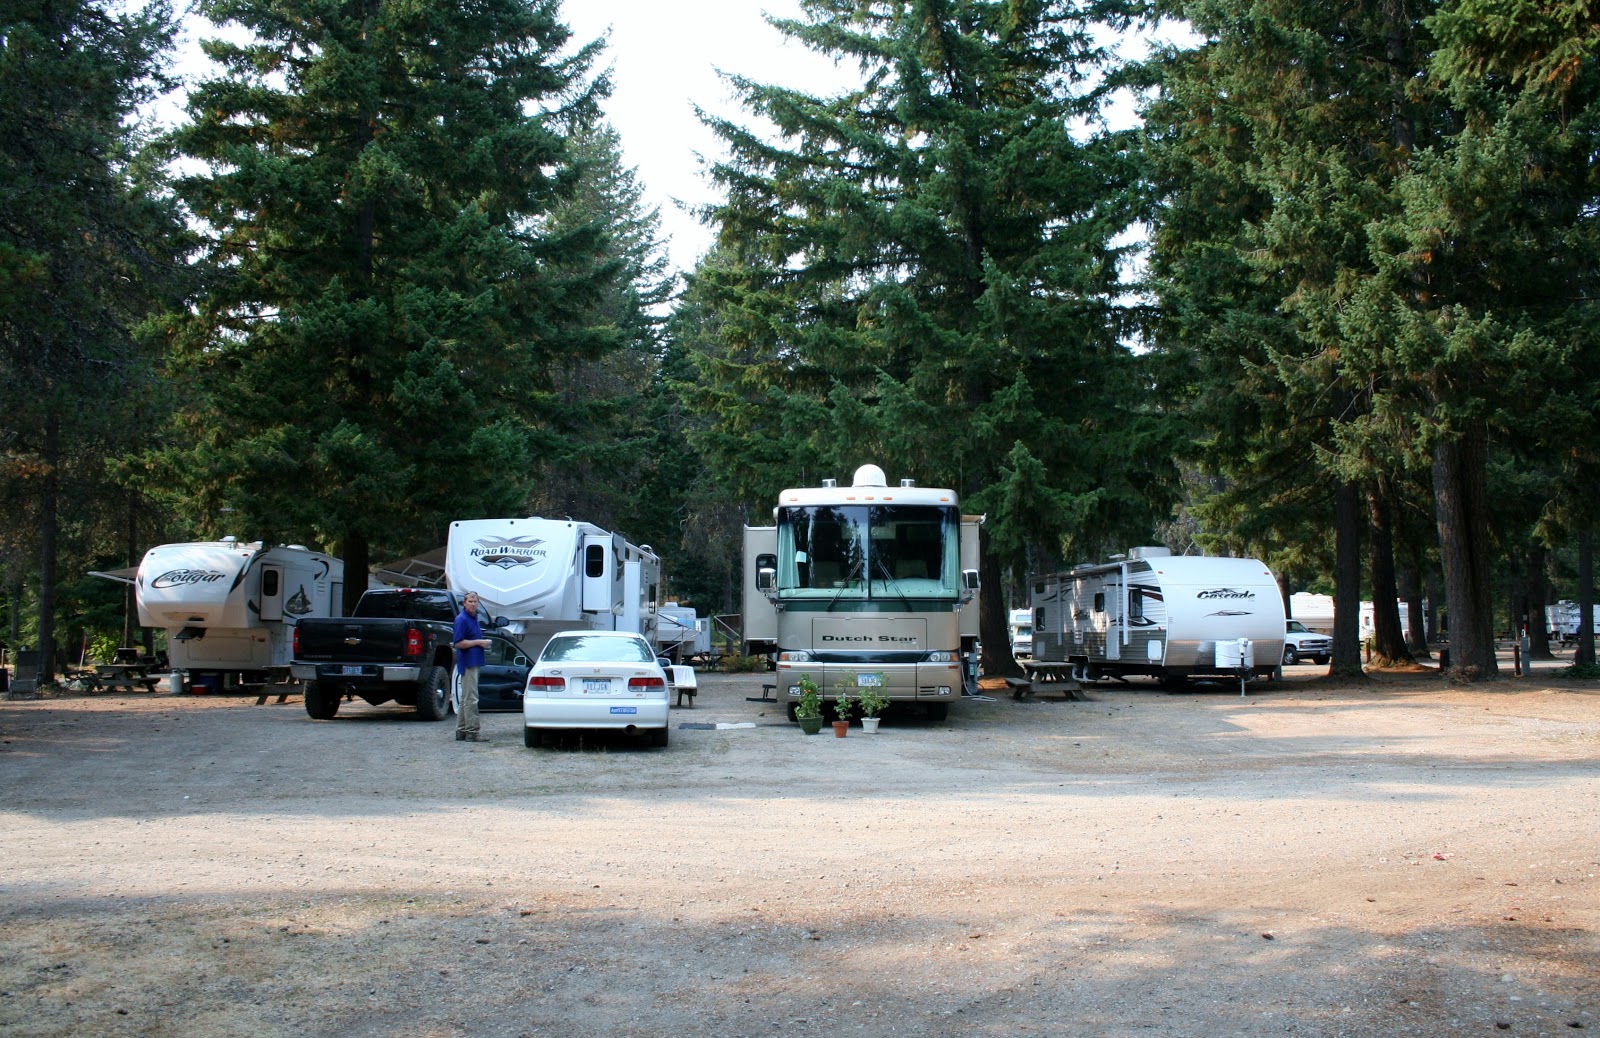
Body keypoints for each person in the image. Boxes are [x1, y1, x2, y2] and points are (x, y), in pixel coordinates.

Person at [453, 592, 491, 742]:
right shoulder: (461, 620)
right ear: (464, 603)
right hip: (468, 662)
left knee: (465, 698)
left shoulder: (474, 618)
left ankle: (461, 731)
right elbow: (458, 642)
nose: (473, 604)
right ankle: (472, 732)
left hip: (474, 661)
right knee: (471, 698)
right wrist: (478, 642)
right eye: (470, 601)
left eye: (475, 601)